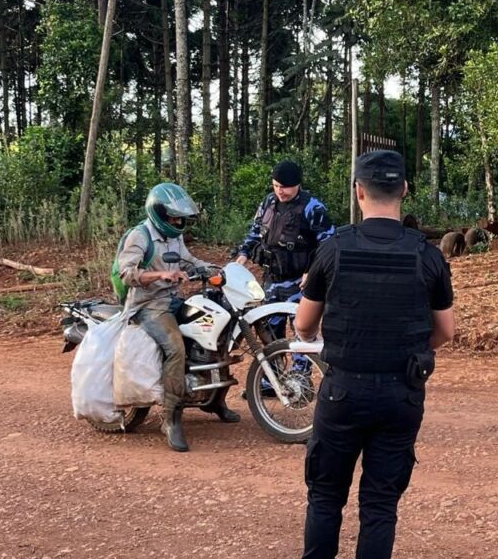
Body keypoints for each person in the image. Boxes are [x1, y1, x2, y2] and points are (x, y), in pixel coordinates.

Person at [288, 150, 455, 559]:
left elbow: (302, 325)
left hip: (342, 391)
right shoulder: (427, 254)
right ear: (404, 191)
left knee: (325, 498)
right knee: (379, 506)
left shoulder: (334, 249)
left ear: (358, 191)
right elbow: (444, 332)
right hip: (400, 394)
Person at [118, 182, 240, 453]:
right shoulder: (140, 236)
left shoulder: (174, 236)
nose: (178, 221)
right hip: (150, 305)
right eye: (174, 217)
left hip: (174, 300)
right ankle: (171, 417)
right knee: (176, 348)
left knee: (217, 334)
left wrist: (214, 269)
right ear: (159, 214)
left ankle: (215, 401)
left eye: (181, 217)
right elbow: (126, 273)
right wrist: (159, 274)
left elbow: (188, 261)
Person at [234, 160, 335, 350]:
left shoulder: (313, 207)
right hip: (271, 280)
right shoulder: (269, 202)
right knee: (269, 335)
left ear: (298, 184)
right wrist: (243, 254)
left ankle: (301, 377)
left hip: (300, 283)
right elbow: (256, 231)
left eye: (284, 187)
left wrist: (312, 272)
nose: (280, 191)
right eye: (276, 186)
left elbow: (328, 245)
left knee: (302, 334)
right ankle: (271, 377)